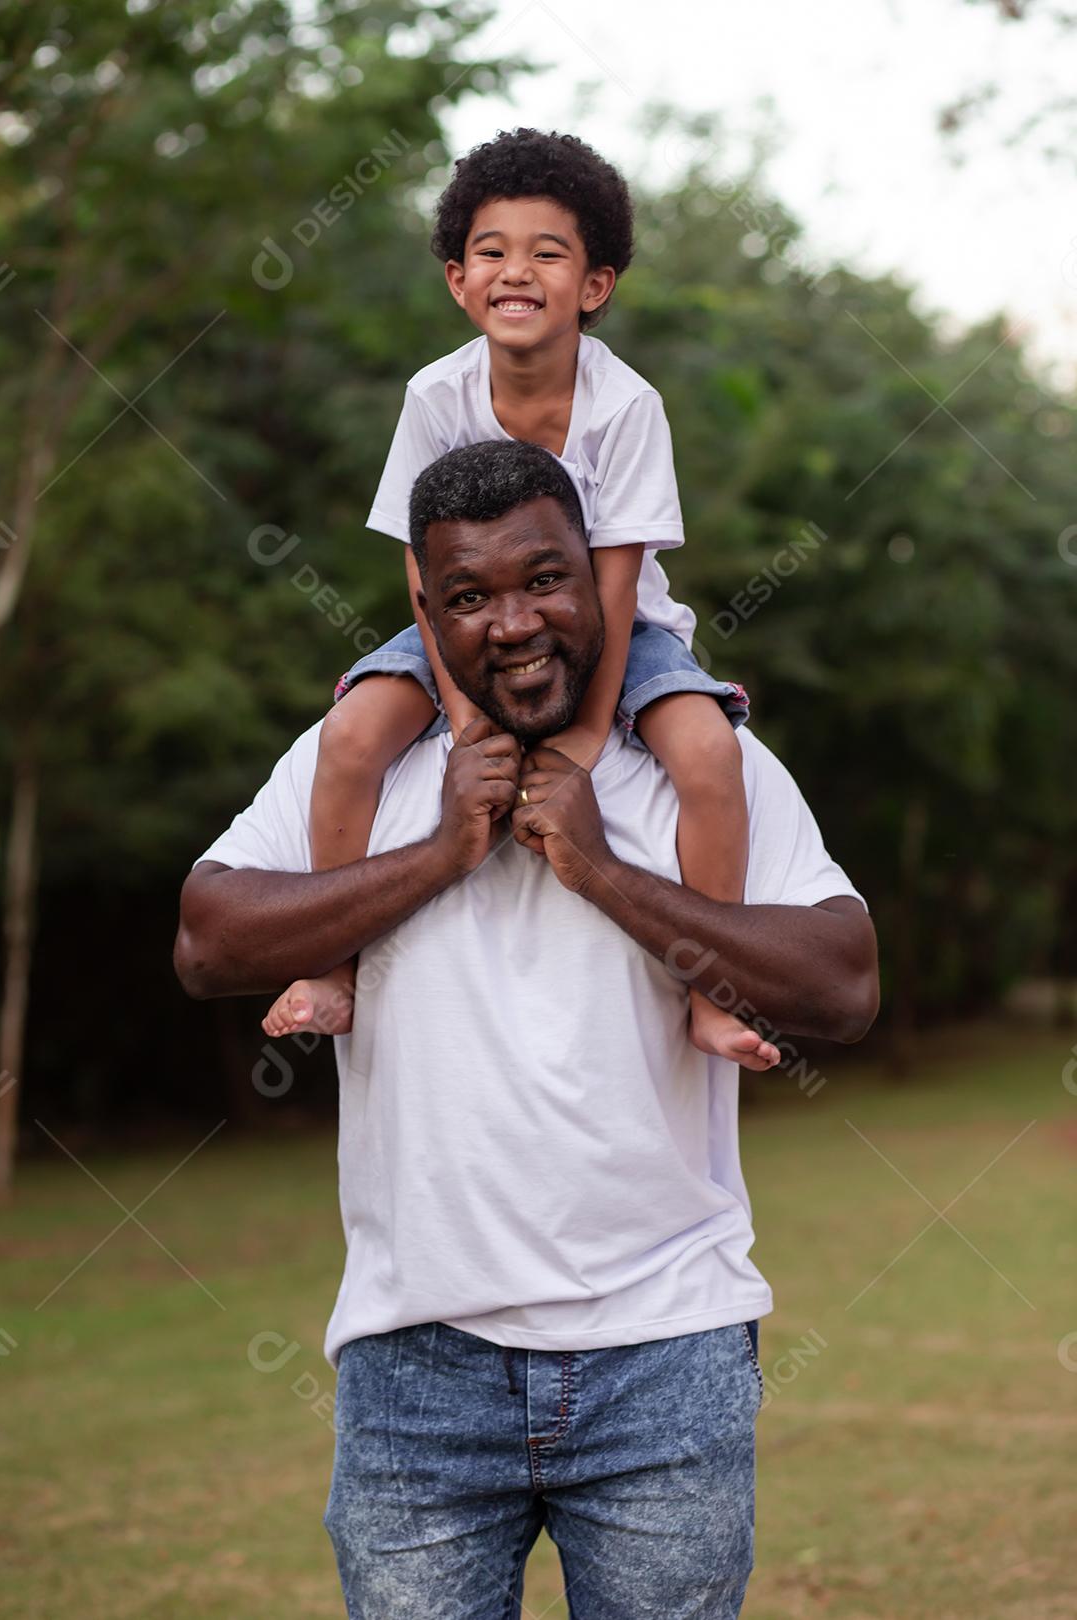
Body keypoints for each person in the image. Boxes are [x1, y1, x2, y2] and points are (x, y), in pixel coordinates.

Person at [175, 440, 879, 1620]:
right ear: (424, 611)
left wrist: (604, 871)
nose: (513, 624)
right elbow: (208, 941)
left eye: (546, 579)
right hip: (415, 1367)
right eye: (468, 597)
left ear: (600, 579)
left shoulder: (690, 760)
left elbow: (845, 982)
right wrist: (440, 852)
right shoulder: (368, 765)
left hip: (667, 1354)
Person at [261, 127, 768, 1065]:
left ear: (596, 284)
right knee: (351, 738)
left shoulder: (627, 407)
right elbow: (420, 571)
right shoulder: (435, 396)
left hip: (618, 626)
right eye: (491, 252)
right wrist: (465, 724)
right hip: (464, 628)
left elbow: (614, 581)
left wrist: (581, 741)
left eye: (548, 253)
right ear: (459, 280)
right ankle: (332, 969)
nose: (517, 272)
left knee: (707, 754)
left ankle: (710, 994)